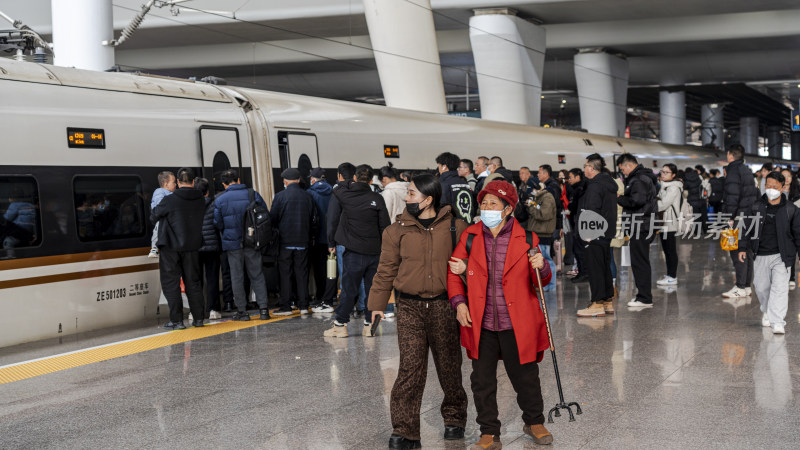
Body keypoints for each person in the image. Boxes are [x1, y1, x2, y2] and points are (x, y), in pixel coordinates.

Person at [447, 180, 553, 449]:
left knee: (525, 376)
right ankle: (489, 432)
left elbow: (541, 279)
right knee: (482, 381)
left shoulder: (527, 239)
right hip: (480, 322)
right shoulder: (470, 237)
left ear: (508, 209)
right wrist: (459, 303)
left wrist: (541, 267)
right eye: (483, 203)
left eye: (493, 204)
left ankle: (534, 421)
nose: (486, 208)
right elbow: (453, 271)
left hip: (516, 321)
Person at [368, 174, 469, 449]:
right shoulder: (396, 230)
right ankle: (405, 431)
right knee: (410, 369)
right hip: (409, 307)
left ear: (428, 199)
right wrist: (377, 305)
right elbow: (386, 269)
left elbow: (471, 263)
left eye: (411, 194)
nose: (407, 199)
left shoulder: (455, 227)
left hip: (444, 305)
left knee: (449, 366)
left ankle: (454, 419)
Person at [324, 164, 391, 337]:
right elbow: (385, 226)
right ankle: (369, 325)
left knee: (349, 289)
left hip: (353, 252)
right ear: (371, 180)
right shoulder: (377, 198)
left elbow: (338, 185)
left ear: (353, 178)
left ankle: (340, 325)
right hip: (375, 253)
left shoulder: (344, 194)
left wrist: (350, 183)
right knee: (372, 289)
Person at [739, 171, 800, 335]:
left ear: (782, 187)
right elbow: (746, 229)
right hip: (760, 254)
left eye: (775, 186)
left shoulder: (791, 209)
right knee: (761, 287)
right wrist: (742, 248)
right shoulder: (755, 206)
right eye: (768, 186)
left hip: (783, 256)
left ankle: (778, 321)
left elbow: (798, 234)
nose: (771, 189)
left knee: (780, 289)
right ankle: (767, 310)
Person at [151, 168, 206, 329]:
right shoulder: (200, 199)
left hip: (170, 247)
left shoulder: (170, 200)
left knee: (171, 283)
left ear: (178, 183)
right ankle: (198, 319)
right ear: (193, 182)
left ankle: (177, 320)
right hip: (193, 246)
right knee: (193, 283)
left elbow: (154, 215)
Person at [214, 169, 271, 321]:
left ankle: (242, 312)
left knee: (236, 277)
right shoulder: (252, 194)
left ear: (224, 184)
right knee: (257, 275)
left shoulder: (220, 200)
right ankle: (264, 309)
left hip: (233, 244)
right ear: (238, 180)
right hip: (252, 242)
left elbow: (217, 223)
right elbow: (264, 215)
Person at [270, 168, 318, 315]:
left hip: (285, 242)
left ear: (285, 181)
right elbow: (314, 220)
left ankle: (286, 306)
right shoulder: (308, 197)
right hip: (303, 241)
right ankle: (303, 305)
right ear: (298, 180)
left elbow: (273, 219)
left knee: (285, 274)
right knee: (302, 273)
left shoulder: (280, 197)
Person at [576, 155, 618, 317]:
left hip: (594, 232)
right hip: (606, 232)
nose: (584, 168)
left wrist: (588, 233)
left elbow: (591, 210)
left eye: (586, 165)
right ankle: (607, 301)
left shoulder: (595, 186)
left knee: (595, 268)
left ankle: (597, 303)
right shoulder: (608, 184)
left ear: (591, 168)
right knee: (604, 266)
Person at [616, 153, 658, 308]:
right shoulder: (643, 177)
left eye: (623, 170)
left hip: (640, 225)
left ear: (629, 165)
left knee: (639, 261)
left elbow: (637, 201)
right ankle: (643, 295)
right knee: (642, 260)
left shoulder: (638, 179)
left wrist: (619, 198)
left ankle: (645, 298)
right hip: (644, 224)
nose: (623, 173)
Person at [722, 145, 759, 298]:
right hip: (749, 216)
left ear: (730, 154)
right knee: (746, 251)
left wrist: (729, 217)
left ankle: (739, 287)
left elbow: (732, 196)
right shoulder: (746, 170)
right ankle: (746, 286)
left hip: (738, 217)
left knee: (736, 251)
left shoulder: (733, 171)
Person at [308, 168, 337, 312]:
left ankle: (320, 297)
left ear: (313, 179)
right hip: (333, 237)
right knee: (332, 268)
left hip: (317, 237)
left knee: (319, 269)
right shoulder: (334, 192)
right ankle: (331, 296)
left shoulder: (310, 193)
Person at [194, 177, 223, 320]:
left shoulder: (190, 205)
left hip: (196, 247)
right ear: (207, 192)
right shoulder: (214, 204)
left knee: (196, 280)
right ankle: (213, 309)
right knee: (212, 279)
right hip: (212, 247)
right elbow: (218, 223)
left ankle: (196, 310)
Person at [525, 183, 557, 291]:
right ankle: (543, 285)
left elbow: (544, 214)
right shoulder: (538, 198)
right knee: (539, 261)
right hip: (537, 233)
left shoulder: (547, 197)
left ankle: (551, 285)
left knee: (546, 260)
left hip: (544, 234)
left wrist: (531, 208)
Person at [655, 164, 682, 287]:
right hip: (663, 222)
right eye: (662, 171)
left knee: (670, 250)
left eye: (667, 172)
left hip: (670, 222)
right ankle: (670, 275)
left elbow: (664, 204)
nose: (663, 174)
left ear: (674, 175)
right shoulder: (664, 185)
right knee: (666, 250)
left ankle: (672, 276)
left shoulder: (674, 188)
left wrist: (651, 204)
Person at [437, 152, 474, 223]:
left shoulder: (443, 184)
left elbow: (442, 209)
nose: (439, 168)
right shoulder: (465, 184)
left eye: (439, 165)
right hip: (468, 223)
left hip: (452, 227)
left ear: (444, 166)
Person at [566, 168, 589, 282]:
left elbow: (574, 207)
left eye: (570, 177)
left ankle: (584, 273)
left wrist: (570, 206)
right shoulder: (578, 188)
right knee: (577, 249)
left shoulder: (580, 189)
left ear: (577, 177)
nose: (568, 180)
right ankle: (582, 272)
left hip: (580, 223)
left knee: (580, 249)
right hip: (578, 223)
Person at [148, 171, 176, 258]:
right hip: (161, 218)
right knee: (157, 231)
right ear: (166, 184)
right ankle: (154, 249)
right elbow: (160, 205)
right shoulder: (159, 192)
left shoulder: (172, 193)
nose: (175, 184)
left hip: (167, 218)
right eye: (173, 182)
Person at [683, 167, 708, 231]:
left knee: (696, 216)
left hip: (692, 200)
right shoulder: (699, 177)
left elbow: (685, 191)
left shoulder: (686, 179)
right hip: (701, 199)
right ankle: (705, 229)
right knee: (704, 215)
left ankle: (697, 231)